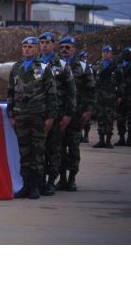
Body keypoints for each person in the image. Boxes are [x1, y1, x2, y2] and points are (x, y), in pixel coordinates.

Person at [7, 36, 56, 200]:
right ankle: (26, 185)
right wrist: (11, 114)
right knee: (24, 152)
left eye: (30, 47)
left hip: (37, 116)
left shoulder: (43, 67)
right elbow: (10, 93)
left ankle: (36, 186)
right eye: (25, 46)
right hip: (21, 116)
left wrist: (50, 117)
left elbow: (51, 95)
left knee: (37, 152)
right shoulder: (16, 67)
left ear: (36, 50)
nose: (27, 49)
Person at [38, 31, 76, 195]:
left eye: (47, 43)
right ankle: (39, 179)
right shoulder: (35, 63)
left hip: (57, 114)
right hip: (39, 113)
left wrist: (68, 114)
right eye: (42, 43)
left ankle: (52, 181)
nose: (44, 45)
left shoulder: (61, 64)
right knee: (39, 149)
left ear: (53, 45)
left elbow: (71, 92)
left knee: (54, 149)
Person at [57, 36, 95, 191]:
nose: (65, 50)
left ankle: (72, 179)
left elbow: (91, 90)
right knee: (58, 148)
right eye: (62, 47)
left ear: (74, 49)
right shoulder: (55, 65)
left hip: (76, 114)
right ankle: (62, 179)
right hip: (59, 113)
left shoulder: (84, 67)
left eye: (68, 47)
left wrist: (88, 110)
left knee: (73, 147)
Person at [92, 45, 118, 149]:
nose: (105, 53)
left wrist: (118, 94)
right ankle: (101, 140)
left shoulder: (115, 66)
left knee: (109, 118)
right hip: (99, 96)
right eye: (104, 52)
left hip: (110, 97)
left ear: (111, 54)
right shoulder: (97, 66)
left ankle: (108, 141)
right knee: (100, 118)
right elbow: (93, 80)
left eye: (107, 52)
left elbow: (120, 81)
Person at [115, 47, 131, 146]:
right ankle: (121, 138)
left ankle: (130, 139)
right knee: (120, 119)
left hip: (130, 96)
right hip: (121, 96)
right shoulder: (119, 66)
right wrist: (118, 95)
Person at [78, 51, 92, 142]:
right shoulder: (78, 67)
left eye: (86, 58)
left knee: (86, 119)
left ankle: (86, 135)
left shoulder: (89, 68)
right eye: (83, 57)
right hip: (79, 95)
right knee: (79, 118)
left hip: (85, 96)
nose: (85, 59)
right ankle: (80, 135)